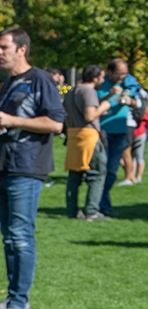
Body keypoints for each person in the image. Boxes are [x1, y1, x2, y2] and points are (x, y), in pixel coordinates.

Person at [0, 27, 64, 309]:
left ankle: (18, 305)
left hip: (26, 167)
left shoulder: (39, 79)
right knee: (9, 238)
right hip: (1, 165)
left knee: (21, 237)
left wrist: (13, 120)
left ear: (22, 50)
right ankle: (16, 297)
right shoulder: (10, 82)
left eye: (3, 47)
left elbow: (56, 123)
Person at [96, 57, 145, 215]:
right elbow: (91, 103)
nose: (122, 77)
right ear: (110, 71)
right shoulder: (100, 83)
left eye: (124, 73)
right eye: (119, 73)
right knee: (100, 170)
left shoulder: (128, 84)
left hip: (120, 132)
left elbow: (139, 103)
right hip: (102, 131)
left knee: (111, 171)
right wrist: (109, 95)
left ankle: (102, 203)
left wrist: (129, 101)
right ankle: (100, 205)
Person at [63, 65, 107, 220]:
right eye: (102, 76)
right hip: (89, 137)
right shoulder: (89, 91)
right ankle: (92, 211)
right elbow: (90, 116)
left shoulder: (72, 91)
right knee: (97, 174)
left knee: (74, 176)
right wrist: (104, 106)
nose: (103, 79)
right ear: (95, 78)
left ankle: (72, 211)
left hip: (73, 136)